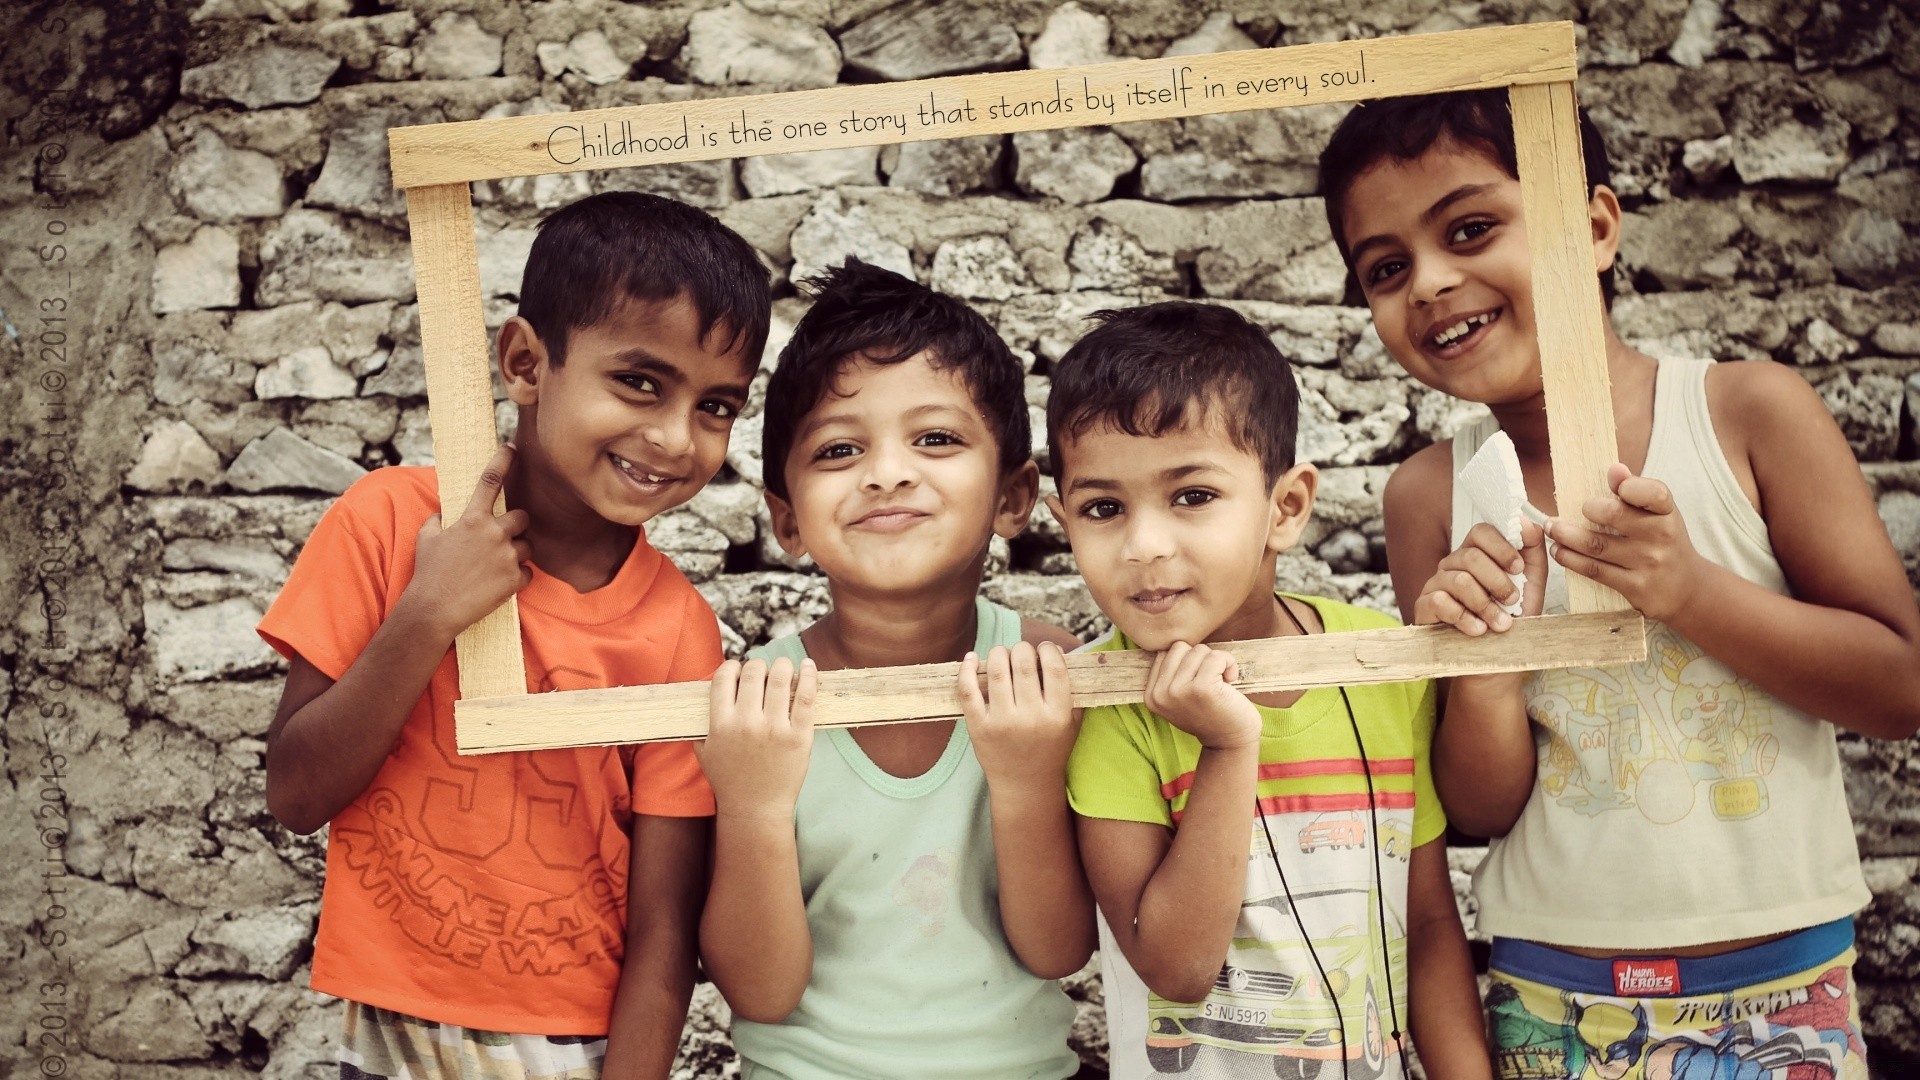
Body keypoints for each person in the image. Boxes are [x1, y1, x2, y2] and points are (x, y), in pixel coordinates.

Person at [1318, 89, 1920, 1076]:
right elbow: (1479, 806)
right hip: (1554, 1003)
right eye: (1385, 268)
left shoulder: (1747, 413)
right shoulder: (1429, 496)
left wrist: (1690, 591)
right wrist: (1485, 668)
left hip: (1784, 998)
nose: (1430, 281)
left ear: (1594, 227)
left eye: (1470, 229)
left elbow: (1899, 689)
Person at [258, 191, 770, 1080]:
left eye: (717, 406)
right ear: (527, 363)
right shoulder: (387, 524)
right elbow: (298, 795)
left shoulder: (680, 631)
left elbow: (662, 932)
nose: (675, 437)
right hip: (389, 1038)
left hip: (577, 1049)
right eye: (640, 381)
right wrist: (427, 614)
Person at [1054, 302, 1490, 1080]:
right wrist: (1227, 745)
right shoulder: (1106, 705)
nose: (1144, 545)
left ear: (1285, 507)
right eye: (1103, 509)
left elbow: (1426, 924)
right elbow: (1177, 968)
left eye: (1191, 495)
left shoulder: (1376, 665)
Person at [697, 258, 1095, 1080]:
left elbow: (1058, 951)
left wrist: (1025, 781)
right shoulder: (757, 702)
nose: (887, 472)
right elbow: (761, 995)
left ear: (1014, 497)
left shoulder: (1051, 670)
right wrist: (755, 805)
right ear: (786, 520)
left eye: (936, 439)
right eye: (841, 449)